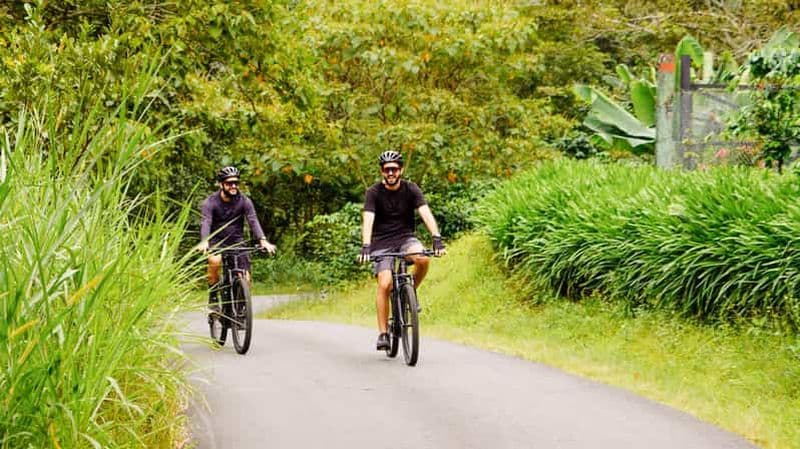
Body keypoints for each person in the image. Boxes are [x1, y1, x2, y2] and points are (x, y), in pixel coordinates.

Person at [358, 150, 446, 350]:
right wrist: (366, 246)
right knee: (385, 284)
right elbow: (368, 219)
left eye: (394, 169)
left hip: (405, 238)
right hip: (381, 242)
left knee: (423, 259)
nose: (391, 173)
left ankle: (410, 293)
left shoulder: (411, 189)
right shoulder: (373, 192)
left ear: (401, 170)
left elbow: (425, 213)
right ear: (382, 171)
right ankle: (382, 334)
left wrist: (437, 239)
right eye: (387, 170)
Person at [198, 166, 276, 315]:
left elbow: (253, 220)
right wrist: (204, 241)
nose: (233, 186)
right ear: (221, 184)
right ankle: (214, 297)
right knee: (214, 261)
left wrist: (263, 240)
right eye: (229, 183)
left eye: (236, 183)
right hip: (216, 241)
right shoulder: (211, 202)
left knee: (245, 278)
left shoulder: (244, 201)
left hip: (237, 241)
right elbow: (206, 221)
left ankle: (240, 311)